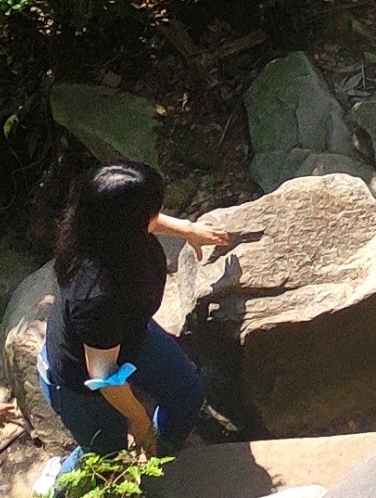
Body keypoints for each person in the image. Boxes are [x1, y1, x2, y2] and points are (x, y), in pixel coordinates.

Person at [40, 161, 237, 464]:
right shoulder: (96, 296)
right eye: (153, 211)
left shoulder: (100, 231)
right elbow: (104, 376)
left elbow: (137, 218)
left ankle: (162, 461)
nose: (158, 215)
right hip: (81, 381)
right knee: (103, 457)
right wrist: (141, 422)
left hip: (130, 334)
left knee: (186, 393)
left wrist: (187, 230)